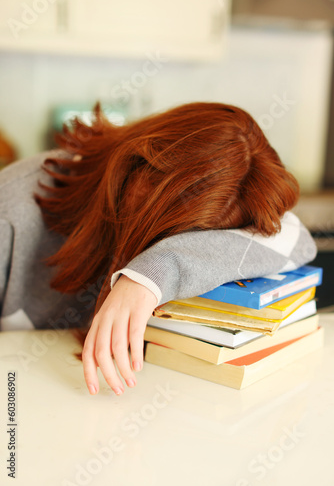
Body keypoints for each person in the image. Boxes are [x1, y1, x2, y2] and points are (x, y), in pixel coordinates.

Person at [0, 102, 316, 396]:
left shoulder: (220, 206)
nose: (158, 246)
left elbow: (296, 239)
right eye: (167, 236)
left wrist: (151, 274)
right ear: (137, 167)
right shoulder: (11, 211)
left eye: (195, 240)